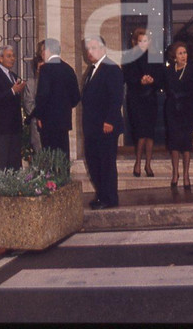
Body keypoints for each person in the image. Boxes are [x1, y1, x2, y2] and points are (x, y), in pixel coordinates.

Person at [80, 35, 124, 210]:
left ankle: (109, 197)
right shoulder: (92, 70)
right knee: (94, 161)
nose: (90, 52)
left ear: (103, 49)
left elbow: (116, 98)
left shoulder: (111, 68)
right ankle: (101, 194)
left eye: (94, 48)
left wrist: (110, 120)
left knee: (106, 162)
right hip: (92, 126)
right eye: (88, 49)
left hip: (106, 126)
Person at [31, 38, 81, 160]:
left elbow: (43, 95)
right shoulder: (68, 69)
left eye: (42, 51)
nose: (41, 54)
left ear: (47, 50)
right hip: (63, 120)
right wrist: (64, 108)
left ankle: (52, 179)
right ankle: (64, 178)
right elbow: (76, 97)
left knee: (50, 157)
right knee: (63, 155)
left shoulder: (46, 69)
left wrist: (40, 116)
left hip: (48, 121)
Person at [123, 28, 163, 178]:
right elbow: (127, 76)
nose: (143, 44)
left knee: (150, 133)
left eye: (145, 41)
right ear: (135, 41)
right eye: (140, 41)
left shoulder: (155, 57)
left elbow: (160, 77)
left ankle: (148, 164)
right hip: (136, 99)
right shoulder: (130, 56)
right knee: (141, 133)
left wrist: (153, 81)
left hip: (150, 98)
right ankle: (138, 163)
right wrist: (140, 80)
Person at [164, 41, 193, 190]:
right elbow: (165, 86)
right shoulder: (168, 71)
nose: (183, 56)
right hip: (173, 109)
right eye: (180, 53)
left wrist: (185, 94)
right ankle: (175, 173)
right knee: (174, 141)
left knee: (186, 142)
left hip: (188, 108)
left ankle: (186, 175)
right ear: (174, 56)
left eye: (185, 53)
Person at [0, 45, 26, 170]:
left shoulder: (14, 75)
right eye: (9, 56)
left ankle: (15, 188)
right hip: (2, 126)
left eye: (13, 56)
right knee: (2, 160)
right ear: (0, 58)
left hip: (15, 125)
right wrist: (12, 91)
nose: (12, 59)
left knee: (15, 160)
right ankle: (1, 188)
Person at [21, 41, 44, 156]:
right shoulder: (31, 83)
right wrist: (40, 115)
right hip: (36, 124)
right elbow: (28, 103)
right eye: (40, 68)